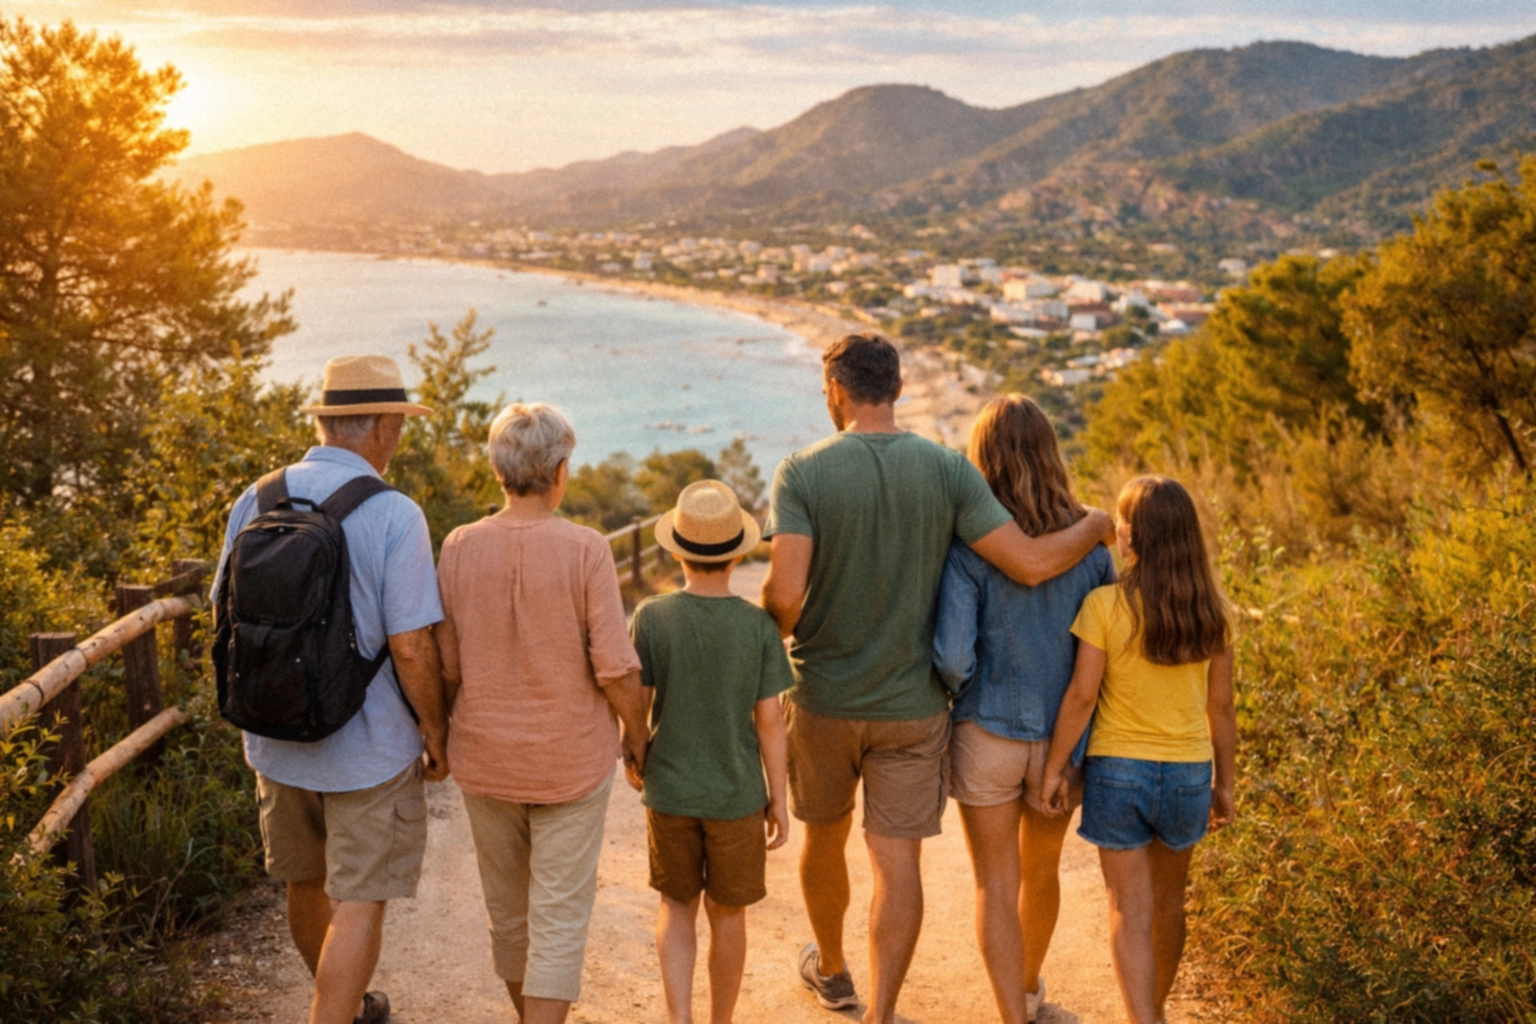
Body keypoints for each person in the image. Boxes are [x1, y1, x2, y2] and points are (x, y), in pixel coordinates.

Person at [760, 333, 1115, 1024]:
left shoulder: (800, 471)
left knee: (823, 837)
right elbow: (1031, 562)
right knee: (898, 864)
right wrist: (1098, 526)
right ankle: (885, 1011)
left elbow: (786, 595)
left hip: (824, 697)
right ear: (896, 387)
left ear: (835, 389)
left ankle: (833, 973)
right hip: (913, 707)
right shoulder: (950, 471)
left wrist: (761, 640)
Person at [212, 354, 450, 1024]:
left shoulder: (254, 498)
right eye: (398, 425)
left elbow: (222, 614)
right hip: (367, 746)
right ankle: (336, 1014)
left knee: (303, 881)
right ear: (375, 428)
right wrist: (435, 729)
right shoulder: (395, 513)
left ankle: (342, 1006)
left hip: (275, 737)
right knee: (360, 898)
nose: (399, 439)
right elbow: (411, 644)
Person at [434, 402, 649, 1024]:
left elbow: (448, 663)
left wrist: (440, 739)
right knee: (557, 918)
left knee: (510, 914)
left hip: (485, 758)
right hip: (570, 764)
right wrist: (637, 736)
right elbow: (615, 665)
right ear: (559, 471)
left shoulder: (458, 546)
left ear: (499, 473)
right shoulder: (585, 549)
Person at [933, 395, 1117, 1024]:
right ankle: (1032, 989)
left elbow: (954, 660)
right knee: (1042, 874)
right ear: (1050, 451)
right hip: (1064, 742)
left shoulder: (971, 545)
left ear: (982, 458)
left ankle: (1012, 1014)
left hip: (986, 731)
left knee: (995, 885)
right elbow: (1108, 652)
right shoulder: (1091, 547)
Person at [1041, 475, 1237, 1024]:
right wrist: (1225, 784)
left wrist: (1056, 769)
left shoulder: (1104, 605)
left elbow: (1082, 696)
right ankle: (1152, 1011)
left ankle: (1142, 1019)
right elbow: (1220, 709)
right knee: (1170, 904)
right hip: (1188, 777)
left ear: (1129, 538)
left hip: (1118, 775)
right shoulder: (1212, 614)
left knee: (1129, 908)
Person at [629, 479, 793, 1024]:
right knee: (729, 916)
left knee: (675, 908)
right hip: (736, 796)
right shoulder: (757, 627)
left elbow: (637, 706)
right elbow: (770, 722)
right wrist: (779, 800)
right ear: (738, 553)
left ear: (676, 550)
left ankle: (680, 1019)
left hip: (671, 791)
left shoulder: (651, 618)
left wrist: (635, 760)